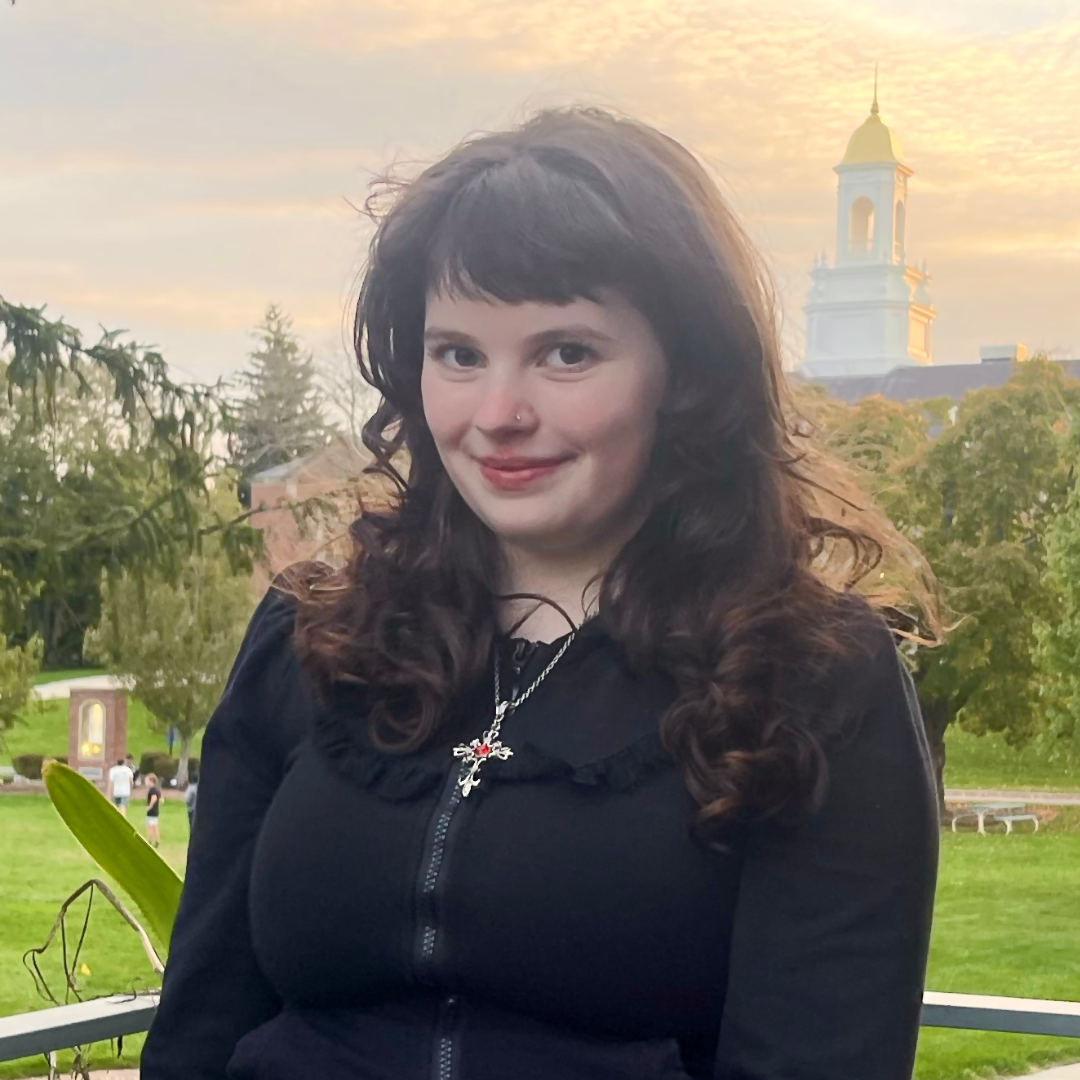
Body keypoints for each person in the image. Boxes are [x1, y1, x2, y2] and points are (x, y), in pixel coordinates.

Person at [142, 107, 941, 1080]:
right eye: (459, 354)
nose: (498, 415)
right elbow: (199, 1029)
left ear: (683, 374)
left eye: (566, 352)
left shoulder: (811, 680)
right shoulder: (314, 640)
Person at [144, 773, 161, 848]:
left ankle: (149, 841)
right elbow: (161, 799)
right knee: (154, 827)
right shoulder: (156, 789)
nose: (146, 782)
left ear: (151, 781)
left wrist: (149, 807)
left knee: (150, 826)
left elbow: (154, 798)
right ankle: (157, 841)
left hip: (152, 811)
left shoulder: (153, 790)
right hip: (155, 810)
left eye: (146, 780)